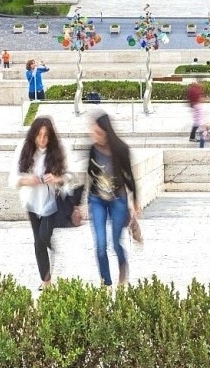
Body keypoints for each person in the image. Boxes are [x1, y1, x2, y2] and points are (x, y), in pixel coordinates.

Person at [85, 112, 141, 287]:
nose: (94, 135)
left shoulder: (121, 149)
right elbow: (89, 175)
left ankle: (123, 270)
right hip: (97, 199)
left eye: (98, 132)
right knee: (101, 244)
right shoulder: (93, 149)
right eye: (93, 131)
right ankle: (106, 283)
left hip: (118, 199)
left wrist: (135, 200)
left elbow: (129, 176)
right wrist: (80, 203)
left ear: (106, 132)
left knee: (116, 242)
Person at [11, 116, 68, 286]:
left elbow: (70, 177)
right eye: (39, 135)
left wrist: (56, 178)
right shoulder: (23, 148)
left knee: (44, 236)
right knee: (38, 241)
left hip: (51, 201)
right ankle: (46, 281)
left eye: (46, 135)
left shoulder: (57, 150)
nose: (42, 139)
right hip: (31, 202)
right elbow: (12, 179)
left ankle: (54, 255)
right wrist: (27, 180)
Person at [185, 78, 205, 142]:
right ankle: (194, 137)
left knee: (197, 121)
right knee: (198, 122)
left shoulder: (195, 88)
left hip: (196, 106)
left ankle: (193, 136)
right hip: (196, 106)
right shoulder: (195, 89)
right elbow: (196, 98)